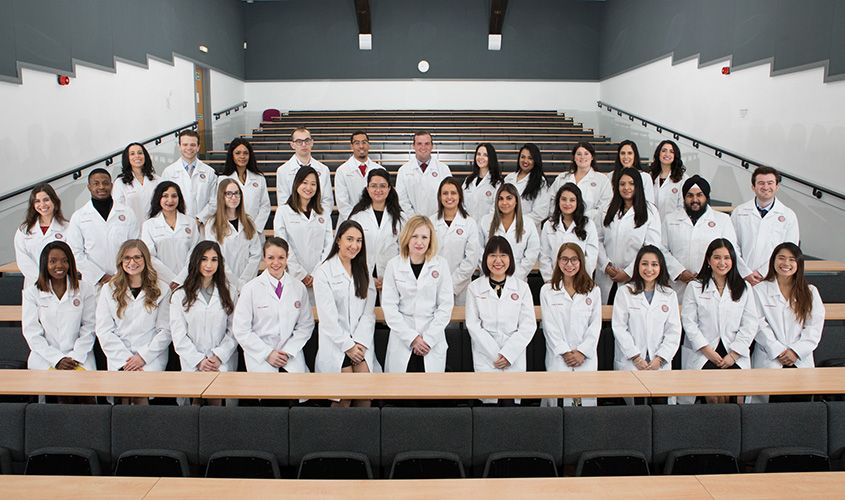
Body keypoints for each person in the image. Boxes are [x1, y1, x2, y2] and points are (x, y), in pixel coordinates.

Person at [681, 239, 758, 405]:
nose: (722, 263)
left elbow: (750, 324)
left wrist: (734, 355)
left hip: (734, 351)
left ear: (733, 261)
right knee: (714, 395)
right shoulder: (695, 286)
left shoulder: (744, 287)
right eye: (717, 257)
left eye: (727, 258)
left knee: (737, 395)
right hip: (704, 351)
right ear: (708, 261)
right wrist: (708, 351)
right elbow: (689, 322)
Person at [96, 240, 171, 404]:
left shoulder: (162, 289)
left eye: (137, 257)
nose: (132, 262)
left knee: (140, 392)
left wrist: (142, 357)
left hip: (150, 357)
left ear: (146, 259)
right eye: (127, 258)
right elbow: (104, 330)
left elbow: (165, 331)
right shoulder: (108, 289)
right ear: (120, 261)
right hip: (119, 356)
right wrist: (126, 360)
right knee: (123, 392)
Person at [466, 236, 536, 406]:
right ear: (485, 259)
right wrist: (495, 354)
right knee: (488, 406)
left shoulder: (522, 288)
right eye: (493, 255)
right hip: (486, 356)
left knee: (511, 406)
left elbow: (528, 325)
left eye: (503, 255)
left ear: (510, 259)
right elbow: (473, 325)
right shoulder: (474, 288)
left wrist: (508, 354)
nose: (498, 261)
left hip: (514, 356)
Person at [313, 220, 377, 407]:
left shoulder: (363, 270)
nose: (354, 245)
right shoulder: (324, 272)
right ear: (338, 240)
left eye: (359, 240)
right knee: (344, 396)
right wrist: (348, 346)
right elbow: (328, 319)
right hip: (336, 344)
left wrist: (360, 343)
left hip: (360, 343)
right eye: (349, 239)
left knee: (365, 394)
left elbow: (368, 313)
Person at [752, 243, 824, 403]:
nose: (786, 263)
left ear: (799, 264)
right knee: (771, 410)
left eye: (792, 259)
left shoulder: (810, 292)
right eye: (781, 258)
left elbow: (813, 328)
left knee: (801, 408)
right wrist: (778, 350)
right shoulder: (759, 290)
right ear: (773, 260)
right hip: (771, 357)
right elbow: (758, 324)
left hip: (800, 359)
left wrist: (795, 352)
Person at [382, 215, 453, 373]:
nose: (419, 242)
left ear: (430, 240)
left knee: (430, 387)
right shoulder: (393, 265)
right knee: (401, 386)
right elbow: (389, 308)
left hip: (431, 340)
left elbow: (445, 306)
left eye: (424, 237)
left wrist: (428, 339)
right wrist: (412, 338)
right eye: (414, 236)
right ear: (407, 237)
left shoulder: (441, 265)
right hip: (403, 338)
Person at [232, 237, 315, 374]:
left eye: (281, 258)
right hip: (260, 356)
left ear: (287, 258)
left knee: (295, 385)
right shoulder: (250, 289)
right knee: (267, 386)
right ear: (264, 258)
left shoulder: (298, 287)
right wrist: (267, 353)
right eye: (271, 258)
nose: (276, 263)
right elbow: (241, 329)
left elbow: (305, 325)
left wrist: (288, 351)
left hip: (290, 355)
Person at [170, 241, 238, 405]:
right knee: (194, 403)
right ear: (196, 261)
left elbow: (233, 330)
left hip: (219, 361)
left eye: (214, 260)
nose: (209, 265)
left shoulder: (230, 292)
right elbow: (178, 335)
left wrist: (218, 356)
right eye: (204, 259)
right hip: (193, 361)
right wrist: (199, 360)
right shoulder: (180, 295)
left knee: (216, 400)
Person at [611, 246, 681, 403]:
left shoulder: (669, 295)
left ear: (661, 267)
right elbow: (619, 328)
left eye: (654, 264)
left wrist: (660, 359)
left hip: (659, 363)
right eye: (644, 264)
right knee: (636, 410)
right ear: (637, 266)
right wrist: (636, 358)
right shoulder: (625, 292)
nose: (649, 269)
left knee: (661, 408)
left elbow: (673, 331)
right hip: (632, 362)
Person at [540, 243, 602, 407]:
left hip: (585, 359)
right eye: (564, 259)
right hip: (559, 358)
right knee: (559, 405)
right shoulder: (547, 290)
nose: (569, 264)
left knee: (585, 407)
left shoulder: (593, 290)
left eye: (574, 259)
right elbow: (549, 327)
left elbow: (595, 326)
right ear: (558, 261)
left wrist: (582, 352)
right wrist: (565, 352)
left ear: (581, 262)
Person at [661, 175, 742, 299]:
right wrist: (679, 272)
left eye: (699, 195)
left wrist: (707, 274)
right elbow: (661, 249)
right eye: (690, 195)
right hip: (678, 285)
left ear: (706, 197)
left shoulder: (723, 220)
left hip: (711, 283)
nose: (695, 199)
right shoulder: (670, 220)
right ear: (684, 197)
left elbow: (730, 252)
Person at [22, 242, 97, 372]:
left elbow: (89, 327)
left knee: (80, 380)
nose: (59, 265)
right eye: (53, 261)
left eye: (64, 261)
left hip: (79, 356)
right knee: (51, 380)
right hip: (45, 357)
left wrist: (75, 356)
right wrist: (57, 359)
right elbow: (32, 333)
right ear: (45, 264)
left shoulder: (85, 289)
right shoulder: (31, 293)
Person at [596, 168, 662, 304]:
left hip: (635, 276)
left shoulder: (650, 211)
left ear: (638, 186)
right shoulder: (606, 209)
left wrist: (628, 272)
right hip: (607, 276)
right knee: (606, 312)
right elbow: (597, 239)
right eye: (622, 184)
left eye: (631, 184)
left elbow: (651, 247)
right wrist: (605, 265)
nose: (626, 188)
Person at [66, 169, 139, 287]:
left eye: (105, 183)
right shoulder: (79, 217)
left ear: (111, 185)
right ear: (89, 187)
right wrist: (100, 276)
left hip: (125, 278)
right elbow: (75, 252)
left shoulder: (127, 213)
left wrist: (121, 274)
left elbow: (135, 246)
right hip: (94, 283)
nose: (101, 187)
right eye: (96, 183)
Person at [730, 166, 800, 285]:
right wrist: (745, 272)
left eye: (770, 183)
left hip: (774, 275)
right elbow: (732, 244)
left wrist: (762, 272)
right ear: (753, 187)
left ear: (777, 187)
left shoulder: (788, 215)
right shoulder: (739, 212)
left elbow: (790, 249)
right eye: (761, 183)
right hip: (743, 276)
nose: (766, 187)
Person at [273, 166, 333, 302]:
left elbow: (329, 245)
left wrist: (317, 273)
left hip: (319, 276)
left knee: (319, 311)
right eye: (304, 182)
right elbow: (282, 246)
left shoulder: (323, 213)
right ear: (296, 184)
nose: (309, 187)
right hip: (292, 274)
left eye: (313, 184)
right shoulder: (283, 212)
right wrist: (300, 273)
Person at [349, 169, 404, 292]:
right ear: (367, 188)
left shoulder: (401, 218)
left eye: (382, 186)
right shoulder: (357, 217)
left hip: (392, 277)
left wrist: (391, 278)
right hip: (362, 276)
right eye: (374, 186)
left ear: (389, 189)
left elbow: (404, 251)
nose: (378, 190)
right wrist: (367, 278)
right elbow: (350, 251)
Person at [205, 179, 262, 293]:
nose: (234, 197)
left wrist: (244, 281)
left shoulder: (249, 222)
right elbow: (216, 257)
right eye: (229, 194)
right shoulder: (212, 224)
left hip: (247, 283)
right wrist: (235, 283)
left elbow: (256, 254)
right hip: (223, 282)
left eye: (237, 193)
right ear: (221, 196)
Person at [141, 181, 199, 290]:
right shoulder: (149, 225)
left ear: (179, 198)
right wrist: (171, 279)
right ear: (158, 198)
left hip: (188, 280)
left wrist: (181, 279)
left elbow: (195, 253)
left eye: (174, 196)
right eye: (165, 196)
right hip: (161, 282)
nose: (170, 200)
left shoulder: (190, 223)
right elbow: (149, 256)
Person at [478, 183, 541, 282]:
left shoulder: (528, 223)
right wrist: (492, 270)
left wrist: (517, 274)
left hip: (518, 278)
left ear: (516, 201)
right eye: (500, 199)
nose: (504, 202)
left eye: (509, 198)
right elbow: (478, 249)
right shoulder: (485, 221)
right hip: (489, 276)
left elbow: (532, 252)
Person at [207, 138, 271, 233]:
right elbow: (220, 206)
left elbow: (265, 206)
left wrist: (255, 228)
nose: (242, 156)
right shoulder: (222, 179)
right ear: (231, 156)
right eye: (237, 153)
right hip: (231, 230)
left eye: (246, 153)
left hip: (255, 230)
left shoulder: (259, 178)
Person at [433, 177, 481, 305]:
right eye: (445, 193)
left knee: (460, 315)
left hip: (461, 287)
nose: (449, 197)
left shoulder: (469, 223)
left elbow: (471, 259)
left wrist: (451, 286)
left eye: (453, 193)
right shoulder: (431, 222)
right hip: (434, 284)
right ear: (440, 197)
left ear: (460, 196)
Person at [539, 183, 599, 282]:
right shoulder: (549, 225)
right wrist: (551, 280)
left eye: (572, 200)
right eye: (563, 199)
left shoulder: (588, 225)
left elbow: (591, 257)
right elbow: (544, 256)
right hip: (555, 280)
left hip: (580, 281)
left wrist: (581, 279)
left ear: (578, 202)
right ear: (558, 201)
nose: (567, 203)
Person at [14, 184, 70, 287]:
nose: (42, 205)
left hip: (60, 282)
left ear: (54, 201)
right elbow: (23, 260)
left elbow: (71, 257)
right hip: (33, 284)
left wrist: (53, 279)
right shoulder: (24, 230)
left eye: (46, 200)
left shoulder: (67, 228)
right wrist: (40, 279)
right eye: (37, 201)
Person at [275, 127, 333, 219]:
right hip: (293, 220)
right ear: (292, 145)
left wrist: (318, 219)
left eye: (307, 141)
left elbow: (327, 201)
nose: (304, 144)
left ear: (312, 142)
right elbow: (283, 202)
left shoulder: (323, 169)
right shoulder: (283, 171)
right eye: (299, 141)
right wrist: (298, 220)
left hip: (318, 220)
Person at [160, 130, 217, 224]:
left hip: (202, 224)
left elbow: (214, 202)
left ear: (198, 147)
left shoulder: (209, 172)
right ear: (179, 147)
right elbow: (164, 200)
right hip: (177, 223)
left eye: (193, 145)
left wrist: (199, 219)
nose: (189, 148)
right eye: (185, 144)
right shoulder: (169, 172)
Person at [548, 142, 612, 225]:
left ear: (592, 157)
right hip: (562, 224)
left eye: (586, 154)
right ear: (574, 157)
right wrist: (563, 217)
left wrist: (582, 217)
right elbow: (551, 200)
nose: (582, 157)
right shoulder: (562, 178)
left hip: (591, 225)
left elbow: (605, 206)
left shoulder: (602, 180)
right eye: (579, 154)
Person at [395, 131, 452, 216]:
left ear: (432, 146)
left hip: (438, 219)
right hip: (412, 220)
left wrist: (437, 218)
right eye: (419, 144)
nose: (423, 147)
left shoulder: (444, 169)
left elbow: (448, 196)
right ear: (413, 146)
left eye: (427, 144)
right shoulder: (403, 170)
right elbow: (402, 199)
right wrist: (415, 219)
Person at [335, 130, 385, 223]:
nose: (361, 146)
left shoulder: (380, 169)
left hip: (374, 220)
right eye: (357, 143)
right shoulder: (342, 171)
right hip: (349, 221)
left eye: (364, 142)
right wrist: (356, 221)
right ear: (351, 146)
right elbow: (342, 203)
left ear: (369, 145)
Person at [112, 142, 161, 226]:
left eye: (140, 153)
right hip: (131, 228)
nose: (137, 156)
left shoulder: (157, 179)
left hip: (155, 227)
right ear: (127, 158)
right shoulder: (120, 182)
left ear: (145, 156)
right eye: (132, 154)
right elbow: (118, 210)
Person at [503, 143, 549, 230]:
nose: (525, 161)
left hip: (527, 230)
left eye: (530, 158)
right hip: (506, 227)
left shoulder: (540, 182)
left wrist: (516, 222)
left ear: (535, 160)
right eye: (523, 157)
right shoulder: (509, 178)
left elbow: (541, 213)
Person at [463, 143, 504, 221]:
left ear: (491, 158)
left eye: (485, 155)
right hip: (468, 225)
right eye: (478, 154)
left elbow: (495, 209)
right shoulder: (468, 180)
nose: (481, 157)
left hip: (487, 226)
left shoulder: (497, 183)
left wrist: (485, 224)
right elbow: (461, 204)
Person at [649, 140, 688, 219]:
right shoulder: (650, 176)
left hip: (674, 224)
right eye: (664, 151)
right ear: (658, 154)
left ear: (675, 156)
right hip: (652, 223)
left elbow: (683, 207)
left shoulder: (683, 179)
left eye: (671, 152)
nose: (667, 154)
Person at [607, 140, 654, 204]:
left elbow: (649, 203)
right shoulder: (610, 176)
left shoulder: (645, 177)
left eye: (630, 153)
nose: (626, 157)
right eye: (622, 153)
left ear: (635, 155)